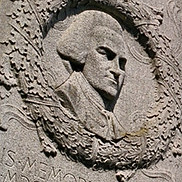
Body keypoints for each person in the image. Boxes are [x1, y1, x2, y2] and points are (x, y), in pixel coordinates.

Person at [55, 10, 128, 139]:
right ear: (81, 52)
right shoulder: (65, 97)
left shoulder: (113, 125)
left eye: (121, 63)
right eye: (106, 55)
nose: (117, 71)